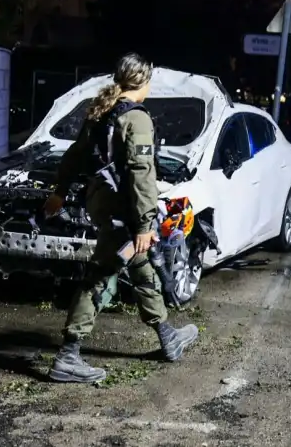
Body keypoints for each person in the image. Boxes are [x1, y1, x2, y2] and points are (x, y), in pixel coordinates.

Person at [44, 53, 198, 383]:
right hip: (123, 213)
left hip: (105, 204)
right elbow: (142, 174)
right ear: (144, 81)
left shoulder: (101, 111)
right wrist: (144, 225)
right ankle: (67, 357)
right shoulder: (136, 118)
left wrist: (59, 192)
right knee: (100, 277)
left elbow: (74, 155)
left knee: (142, 267)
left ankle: (167, 335)